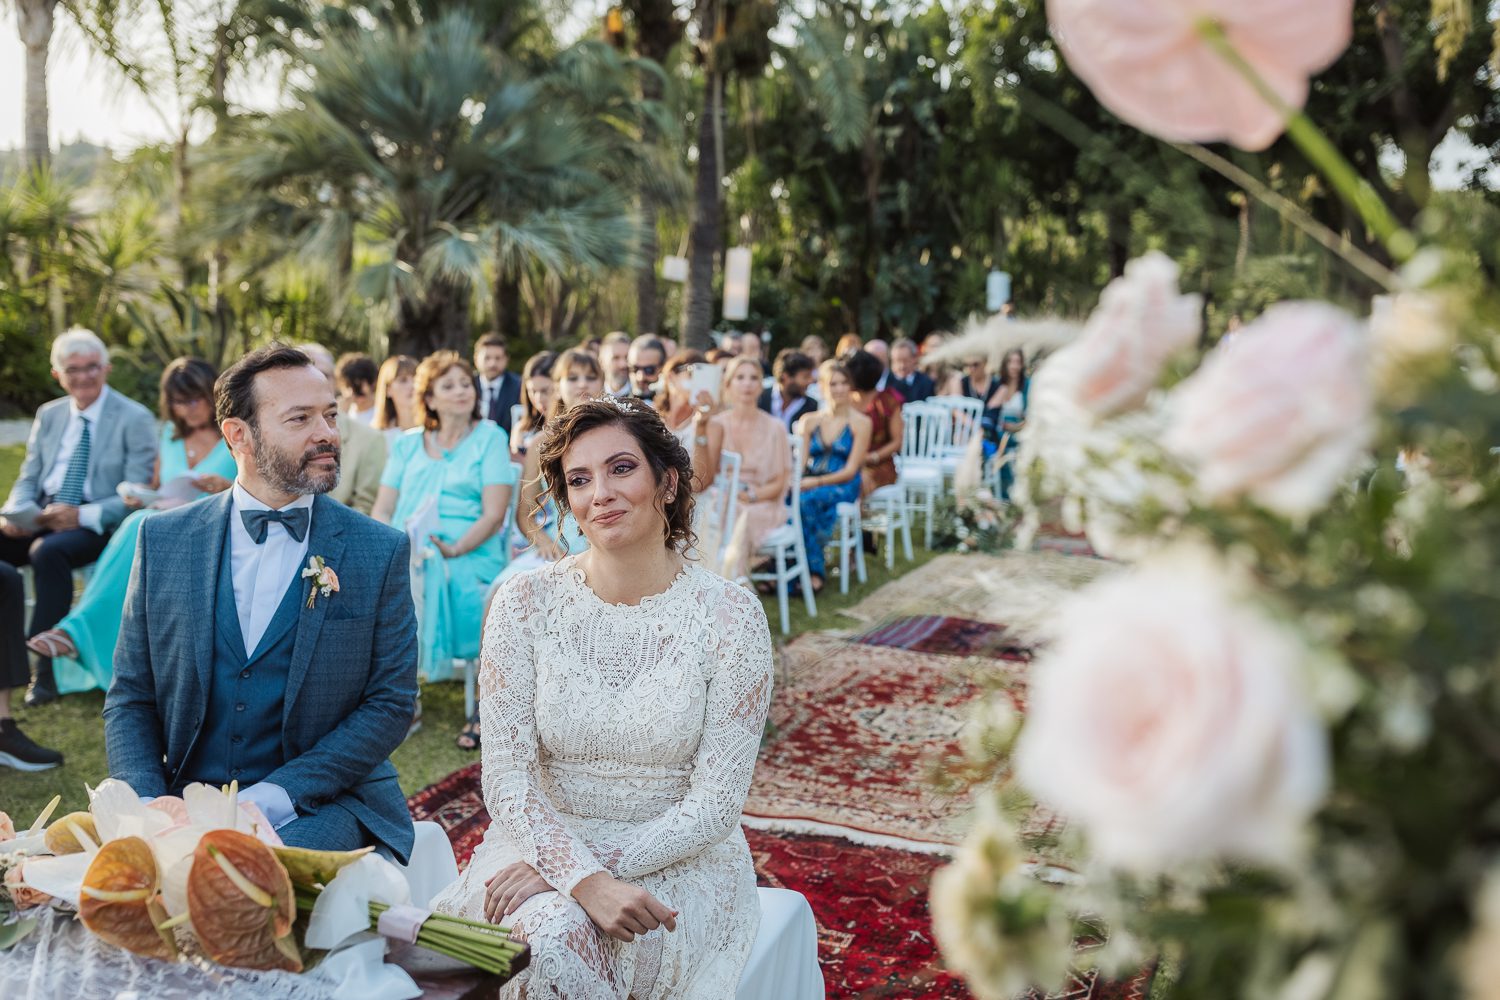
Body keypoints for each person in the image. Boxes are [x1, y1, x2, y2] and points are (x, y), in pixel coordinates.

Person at [429, 396, 774, 998]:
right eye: (579, 480)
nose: (601, 494)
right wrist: (574, 872)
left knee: (563, 940)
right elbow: (507, 780)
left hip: (678, 856)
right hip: (538, 840)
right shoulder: (524, 604)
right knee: (538, 940)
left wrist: (586, 874)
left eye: (621, 468)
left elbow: (717, 804)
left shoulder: (731, 615)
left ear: (666, 482)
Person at [103, 345, 419, 859]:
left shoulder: (378, 550)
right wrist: (144, 804)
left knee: (251, 884)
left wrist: (272, 799)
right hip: (183, 796)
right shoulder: (162, 540)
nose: (328, 434)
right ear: (238, 435)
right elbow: (132, 695)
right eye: (301, 418)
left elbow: (390, 703)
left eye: (331, 415)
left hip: (319, 803)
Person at [27, 358, 237, 696]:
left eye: (196, 398)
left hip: (213, 530)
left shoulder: (235, 435)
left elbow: (256, 493)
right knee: (140, 521)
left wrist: (225, 487)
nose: (190, 408)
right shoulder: (170, 435)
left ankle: (75, 632)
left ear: (212, 395)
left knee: (139, 526)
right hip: (163, 527)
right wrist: (140, 496)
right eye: (180, 402)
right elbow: (158, 485)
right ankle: (80, 637)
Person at [1, 328, 156, 737]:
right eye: (74, 370)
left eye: (92, 367)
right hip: (43, 515)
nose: (84, 377)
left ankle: (45, 669)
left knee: (47, 553)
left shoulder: (134, 416)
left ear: (106, 368)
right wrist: (15, 513)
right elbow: (28, 476)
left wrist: (82, 514)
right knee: (21, 544)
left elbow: (136, 493)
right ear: (57, 374)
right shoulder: (49, 414)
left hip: (98, 524)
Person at [372, 351, 516, 683]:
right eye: (449, 386)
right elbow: (382, 508)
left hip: (469, 551)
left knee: (420, 570)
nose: (462, 391)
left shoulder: (490, 438)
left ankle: (402, 686)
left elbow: (494, 515)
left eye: (466, 384)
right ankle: (399, 687)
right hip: (406, 547)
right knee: (405, 567)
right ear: (430, 399)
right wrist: (384, 550)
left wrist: (454, 548)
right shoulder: (408, 445)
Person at [794, 360, 871, 594]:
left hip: (844, 483)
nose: (839, 389)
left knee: (806, 502)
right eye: (833, 383)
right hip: (810, 478)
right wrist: (796, 482)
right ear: (823, 388)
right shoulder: (810, 421)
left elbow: (850, 470)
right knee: (788, 501)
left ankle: (814, 572)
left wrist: (813, 483)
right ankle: (791, 565)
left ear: (851, 386)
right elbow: (800, 464)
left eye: (843, 383)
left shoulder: (861, 422)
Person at [713, 357, 791, 579]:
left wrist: (752, 495)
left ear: (761, 386)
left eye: (753, 378)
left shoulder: (775, 428)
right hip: (723, 498)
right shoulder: (717, 424)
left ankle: (734, 585)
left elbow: (780, 482)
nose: (747, 384)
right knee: (713, 512)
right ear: (728, 385)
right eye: (740, 377)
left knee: (737, 514)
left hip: (762, 504)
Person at [656, 351, 729, 572]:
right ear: (670, 377)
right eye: (691, 372)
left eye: (704, 375)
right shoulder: (649, 418)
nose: (698, 380)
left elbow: (699, 483)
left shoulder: (713, 425)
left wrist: (701, 425)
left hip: (693, 506)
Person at [300, 344, 387, 515]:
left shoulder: (370, 439)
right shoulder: (269, 433)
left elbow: (365, 507)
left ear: (336, 383)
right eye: (301, 375)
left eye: (322, 375)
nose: (312, 382)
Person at [843, 349, 904, 498]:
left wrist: (872, 457)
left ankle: (855, 520)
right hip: (846, 460)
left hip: (879, 463)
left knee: (856, 482)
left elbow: (898, 441)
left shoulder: (887, 401)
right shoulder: (844, 400)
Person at [983, 348, 1028, 499]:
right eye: (1010, 362)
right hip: (998, 435)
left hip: (1019, 435)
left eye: (1018, 362)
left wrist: (1016, 427)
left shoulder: (1026, 386)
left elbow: (1030, 416)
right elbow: (989, 409)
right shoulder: (997, 385)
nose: (1014, 366)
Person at [511, 351, 558, 457]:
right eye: (532, 391)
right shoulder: (522, 429)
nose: (538, 399)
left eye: (545, 391)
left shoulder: (572, 427)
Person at [475, 334, 523, 436]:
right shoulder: (468, 386)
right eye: (487, 358)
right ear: (476, 359)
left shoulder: (519, 386)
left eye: (498, 358)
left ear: (506, 359)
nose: (492, 364)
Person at [759, 349, 818, 430]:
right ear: (785, 377)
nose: (810, 381)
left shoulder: (812, 406)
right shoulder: (759, 398)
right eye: (805, 377)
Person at [371, 355, 420, 444]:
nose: (412, 385)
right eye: (403, 380)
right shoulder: (378, 435)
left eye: (416, 379)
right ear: (388, 389)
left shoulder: (434, 429)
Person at [336, 353, 379, 424]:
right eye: (349, 385)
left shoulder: (383, 412)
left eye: (359, 384)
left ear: (373, 382)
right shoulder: (341, 413)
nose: (354, 391)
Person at [888, 337, 935, 403]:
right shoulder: (886, 383)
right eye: (897, 361)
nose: (902, 366)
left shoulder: (927, 383)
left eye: (906, 360)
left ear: (914, 359)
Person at [626, 335, 667, 401]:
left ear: (663, 368)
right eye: (634, 368)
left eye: (649, 370)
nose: (640, 377)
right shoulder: (617, 404)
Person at [599, 331, 632, 397]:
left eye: (627, 357)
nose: (623, 364)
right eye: (616, 358)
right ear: (601, 362)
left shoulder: (645, 396)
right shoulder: (593, 397)